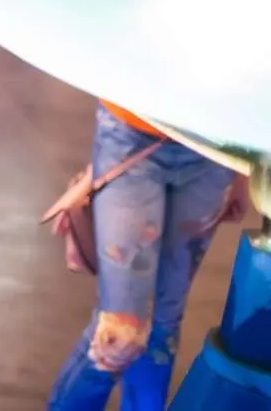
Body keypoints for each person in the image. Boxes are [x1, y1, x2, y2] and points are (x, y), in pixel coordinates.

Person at [48, 100, 251, 410]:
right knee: (119, 332)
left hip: (214, 148)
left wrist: (243, 168)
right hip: (132, 134)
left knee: (163, 327)